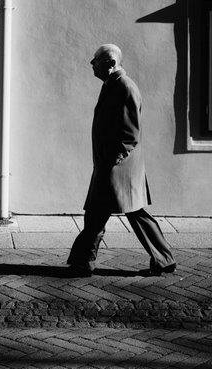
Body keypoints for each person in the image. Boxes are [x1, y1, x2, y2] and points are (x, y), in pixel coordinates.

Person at [66, 44, 176, 277]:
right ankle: (83, 262)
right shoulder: (113, 85)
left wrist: (113, 159)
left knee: (125, 213)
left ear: (111, 63)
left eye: (96, 59)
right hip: (112, 166)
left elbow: (130, 133)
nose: (91, 62)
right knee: (103, 213)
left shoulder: (124, 87)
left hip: (118, 168)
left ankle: (83, 262)